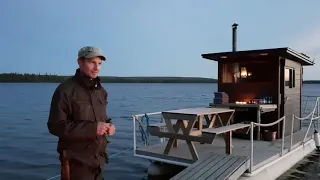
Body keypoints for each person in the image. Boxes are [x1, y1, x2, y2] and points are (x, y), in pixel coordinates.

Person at [47, 46, 116, 180]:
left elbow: (101, 118)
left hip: (99, 161)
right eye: (92, 62)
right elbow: (56, 125)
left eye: (100, 63)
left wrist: (108, 125)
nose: (97, 67)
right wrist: (93, 128)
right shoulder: (65, 90)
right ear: (80, 62)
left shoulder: (101, 91)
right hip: (76, 164)